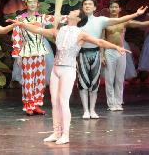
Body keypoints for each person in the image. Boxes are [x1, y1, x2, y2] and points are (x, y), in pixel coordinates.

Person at [9, 8, 130, 145]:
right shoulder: (60, 31)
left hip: (68, 70)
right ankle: (56, 132)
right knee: (55, 102)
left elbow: (99, 42)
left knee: (63, 101)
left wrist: (116, 47)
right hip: (55, 70)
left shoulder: (81, 34)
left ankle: (65, 134)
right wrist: (20, 24)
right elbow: (38, 30)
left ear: (78, 18)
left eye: (73, 12)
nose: (70, 12)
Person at [76, 0, 147, 119]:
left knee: (94, 83)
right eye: (85, 4)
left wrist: (136, 14)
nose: (87, 6)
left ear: (94, 8)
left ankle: (93, 110)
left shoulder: (101, 20)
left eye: (90, 4)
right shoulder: (78, 22)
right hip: (82, 54)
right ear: (82, 8)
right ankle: (86, 110)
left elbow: (120, 20)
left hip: (96, 53)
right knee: (83, 83)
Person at [103, 0, 149, 111]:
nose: (113, 9)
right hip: (109, 51)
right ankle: (111, 103)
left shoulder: (124, 21)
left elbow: (140, 24)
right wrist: (102, 55)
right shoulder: (106, 22)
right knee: (109, 78)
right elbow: (102, 39)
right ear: (108, 9)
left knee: (119, 78)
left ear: (119, 9)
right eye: (112, 7)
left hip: (121, 51)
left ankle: (118, 102)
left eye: (116, 7)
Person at [11, 0, 63, 115]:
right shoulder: (19, 19)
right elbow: (16, 37)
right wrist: (17, 55)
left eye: (34, 2)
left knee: (39, 79)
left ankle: (36, 104)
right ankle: (28, 105)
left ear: (37, 4)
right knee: (28, 79)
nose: (32, 4)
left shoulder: (42, 17)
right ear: (26, 4)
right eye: (30, 2)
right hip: (26, 52)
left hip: (40, 51)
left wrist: (75, 17)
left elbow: (58, 18)